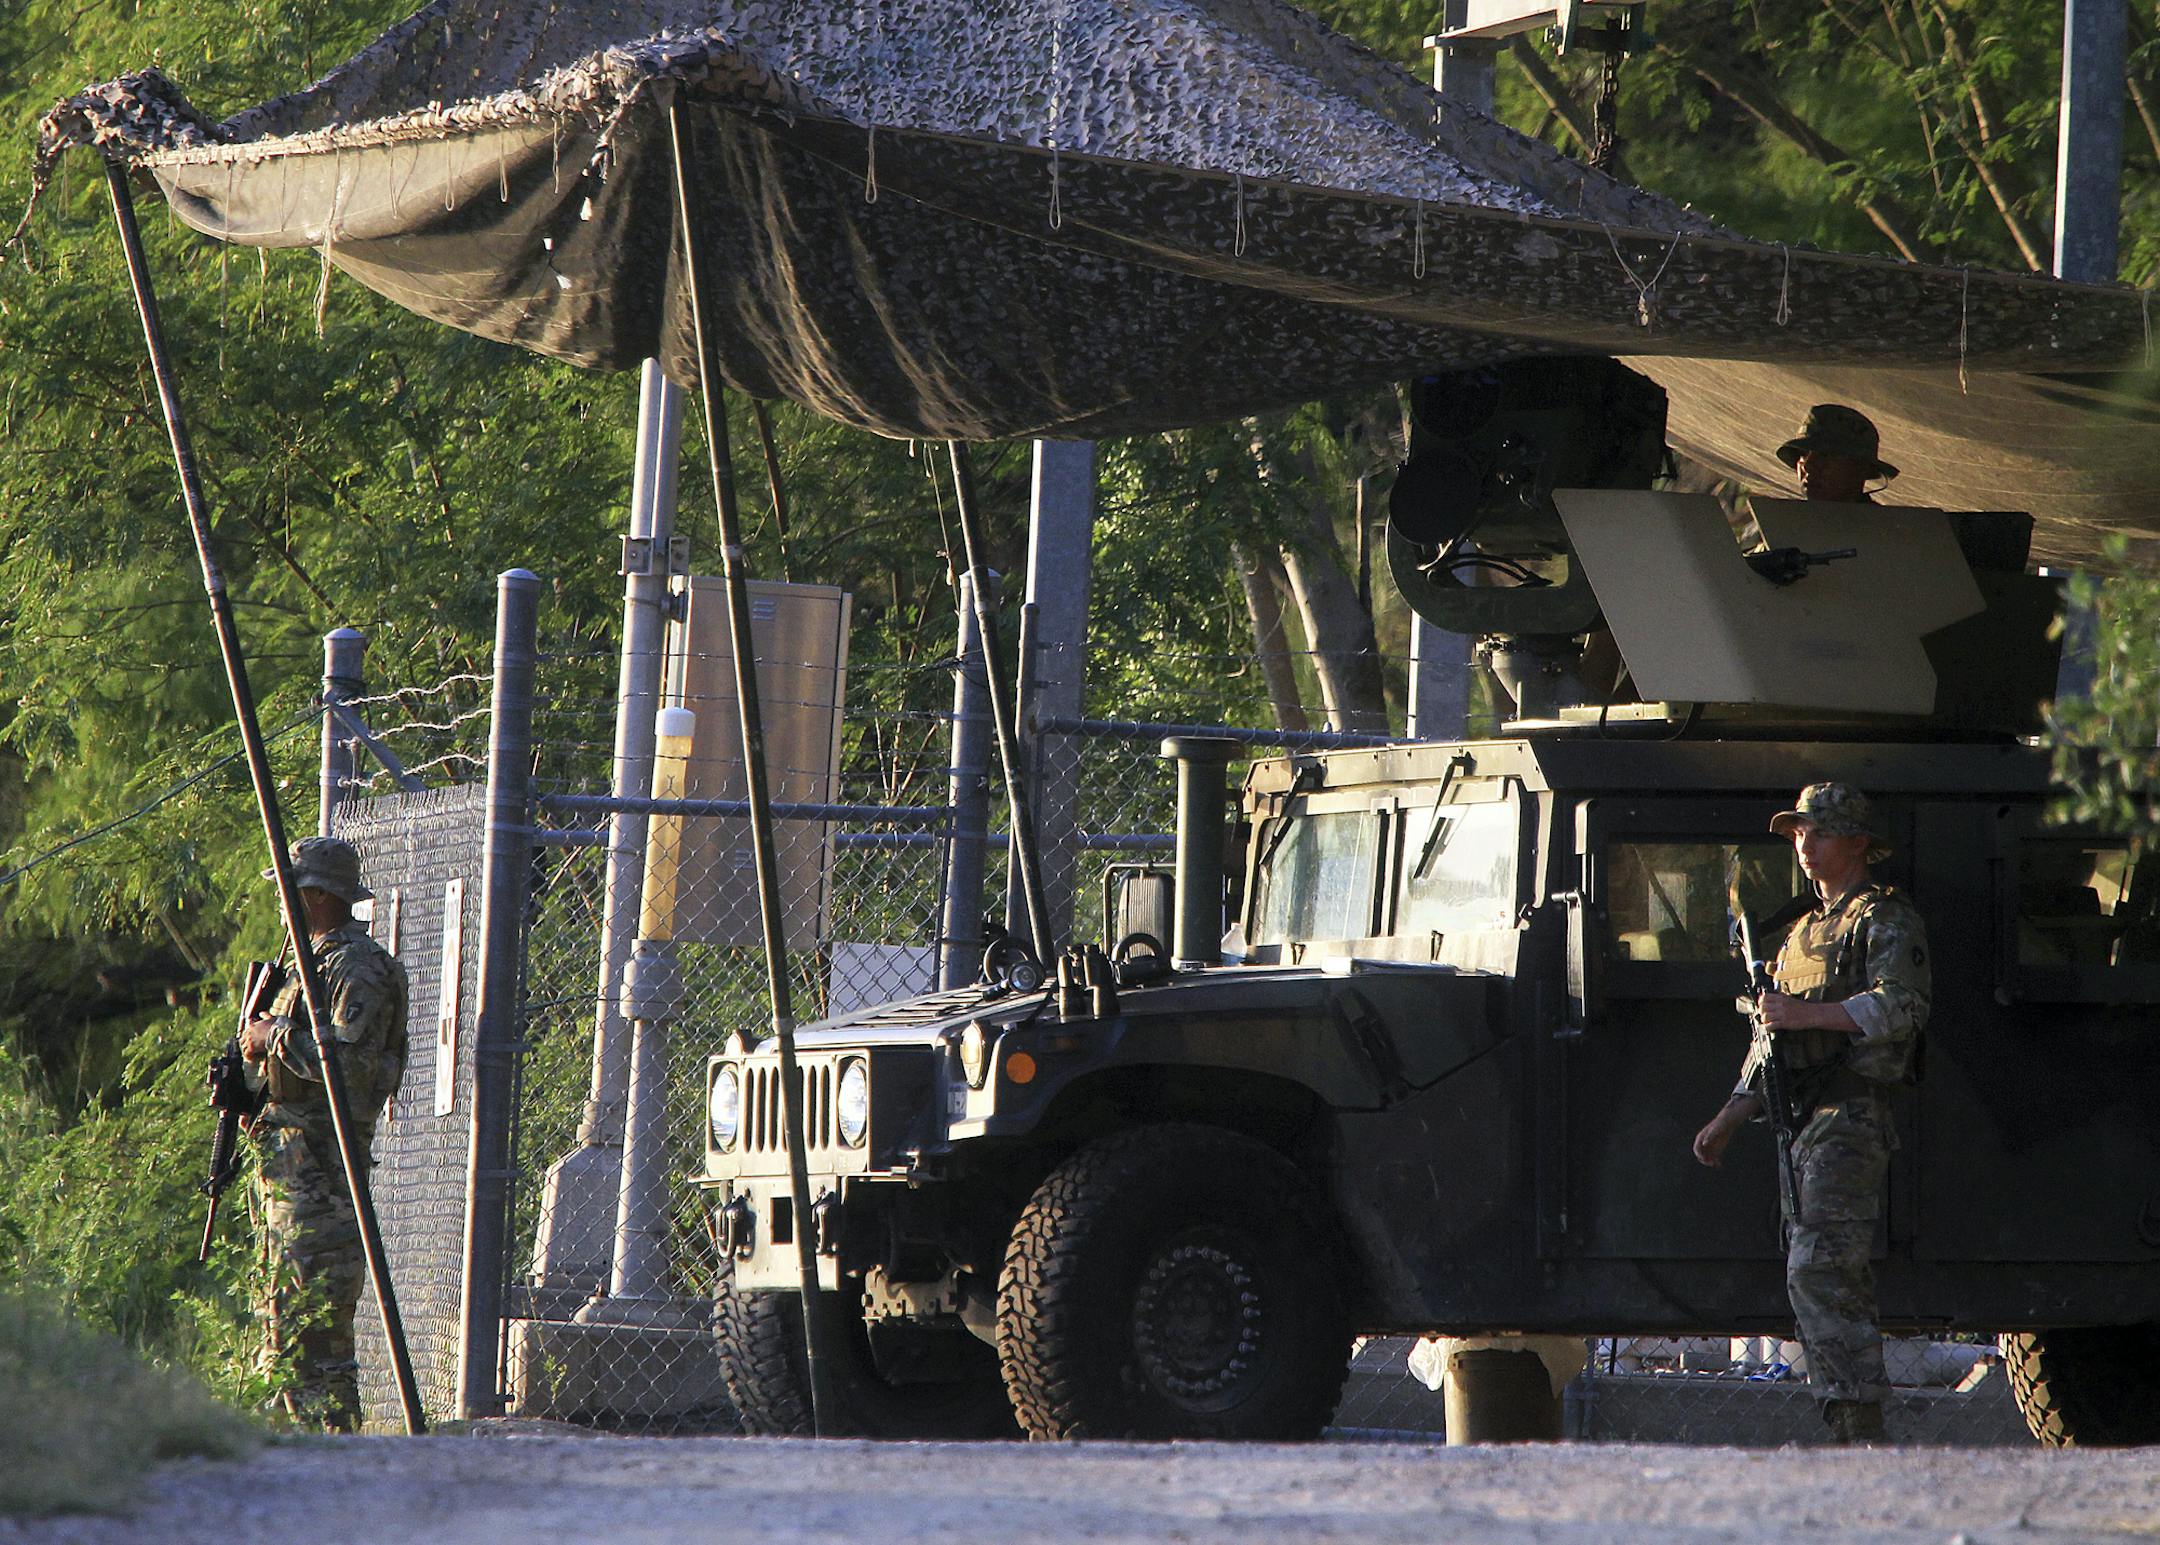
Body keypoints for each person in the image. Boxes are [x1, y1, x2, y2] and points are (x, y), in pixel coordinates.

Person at [1690, 784, 1930, 1444]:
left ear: (1857, 841)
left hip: (1851, 1113)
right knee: (1813, 1268)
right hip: (1803, 1121)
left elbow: (1902, 1007)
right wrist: (1730, 1115)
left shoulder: (1883, 918)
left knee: (1822, 1266)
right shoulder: (1801, 932)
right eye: (1799, 832)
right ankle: (1847, 1416)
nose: (1804, 843)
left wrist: (1806, 1014)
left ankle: (1858, 1423)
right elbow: (1770, 1042)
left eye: (1818, 832)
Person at [241, 835, 409, 1431]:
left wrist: (274, 1036)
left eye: (290, 891)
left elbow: (349, 1071)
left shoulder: (354, 968)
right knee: (283, 1322)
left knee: (316, 1330)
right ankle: (289, 1446)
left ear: (314, 895)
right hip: (291, 1173)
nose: (282, 905)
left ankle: (334, 1455)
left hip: (323, 1179)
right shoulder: (305, 965)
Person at [1776, 404, 1899, 504]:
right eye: (1803, 454)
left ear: (1860, 469)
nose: (1808, 465)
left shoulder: (1883, 531)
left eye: (1825, 455)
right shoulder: (1777, 526)